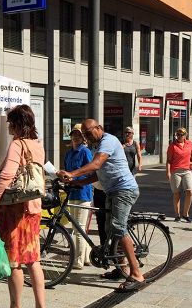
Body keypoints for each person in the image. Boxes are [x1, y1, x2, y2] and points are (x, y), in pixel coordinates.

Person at [57, 119, 145, 292]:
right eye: (85, 134)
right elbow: (98, 175)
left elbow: (96, 164)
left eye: (89, 133)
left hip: (124, 189)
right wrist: (76, 182)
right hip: (111, 190)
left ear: (99, 128)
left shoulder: (108, 141)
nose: (87, 137)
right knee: (110, 230)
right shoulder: (95, 146)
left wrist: (72, 173)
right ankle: (122, 268)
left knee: (119, 228)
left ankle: (136, 274)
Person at [0, 104, 47, 308]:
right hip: (33, 209)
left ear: (17, 124)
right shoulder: (37, 145)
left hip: (16, 211)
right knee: (33, 260)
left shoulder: (17, 145)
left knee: (15, 262)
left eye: (10, 123)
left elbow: (7, 175)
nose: (8, 127)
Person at [64, 123, 93, 270]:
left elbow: (90, 172)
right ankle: (86, 256)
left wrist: (74, 179)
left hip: (83, 193)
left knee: (79, 229)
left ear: (83, 138)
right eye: (74, 134)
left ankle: (79, 260)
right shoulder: (69, 152)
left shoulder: (85, 151)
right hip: (72, 193)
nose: (75, 137)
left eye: (78, 135)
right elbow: (67, 170)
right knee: (77, 228)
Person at [166, 127, 192, 223]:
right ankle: (177, 215)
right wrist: (168, 172)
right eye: (178, 134)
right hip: (176, 171)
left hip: (187, 170)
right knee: (176, 194)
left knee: (190, 191)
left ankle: (185, 214)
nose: (179, 136)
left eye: (181, 134)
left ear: (185, 135)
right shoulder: (172, 145)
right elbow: (169, 160)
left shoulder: (189, 144)